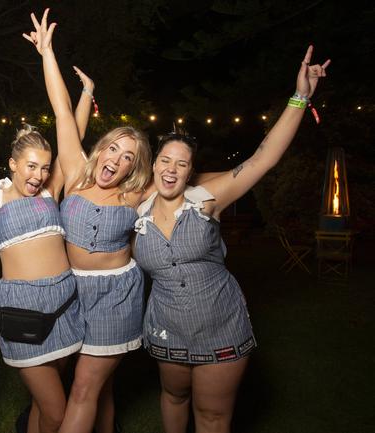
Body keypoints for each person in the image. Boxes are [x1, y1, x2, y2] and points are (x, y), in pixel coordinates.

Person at [133, 46, 330, 433]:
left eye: (182, 163)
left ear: (191, 171)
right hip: (166, 326)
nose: (172, 169)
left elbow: (263, 158)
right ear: (153, 163)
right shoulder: (135, 208)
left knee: (212, 416)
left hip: (219, 323)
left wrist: (300, 97)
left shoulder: (207, 200)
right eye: (165, 160)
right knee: (174, 398)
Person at [24, 10, 152, 433]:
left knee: (85, 390)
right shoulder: (77, 173)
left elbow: (188, 179)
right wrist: (47, 53)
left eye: (127, 156)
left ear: (134, 168)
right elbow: (62, 112)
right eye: (113, 147)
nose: (115, 159)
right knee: (91, 389)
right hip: (67, 291)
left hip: (115, 296)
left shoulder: (133, 194)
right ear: (101, 147)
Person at [0, 125, 85, 433]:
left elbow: (70, 134)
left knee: (41, 403)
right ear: (13, 164)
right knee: (57, 412)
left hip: (65, 307)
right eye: (31, 166)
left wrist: (86, 94)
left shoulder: (50, 190)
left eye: (45, 167)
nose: (38, 175)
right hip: (24, 311)